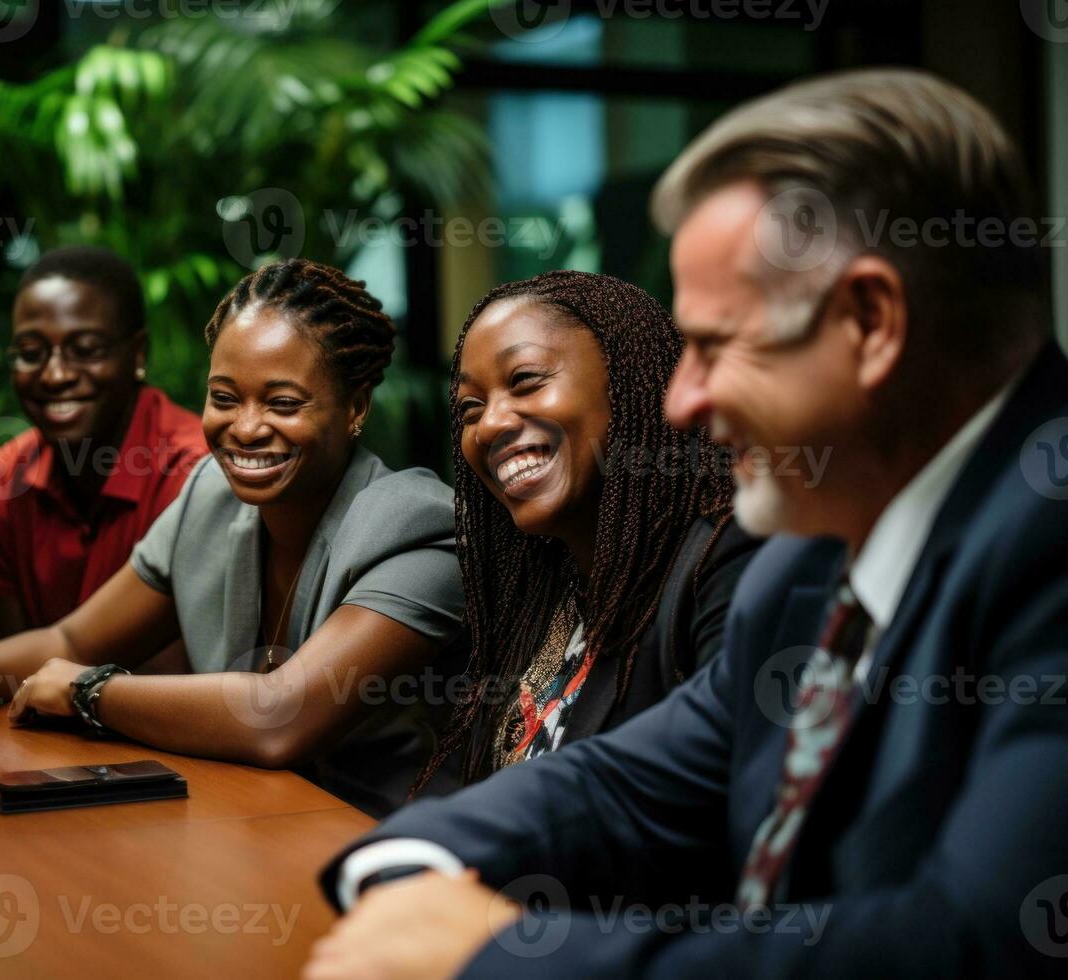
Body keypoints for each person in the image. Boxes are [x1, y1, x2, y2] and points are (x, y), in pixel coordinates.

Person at [307, 68, 1068, 978]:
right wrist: (411, 858)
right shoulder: (807, 564)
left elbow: (975, 946)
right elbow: (626, 781)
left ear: (870, 322)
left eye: (716, 345)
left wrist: (499, 956)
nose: (680, 401)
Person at [0, 259, 465, 815]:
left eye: (283, 402)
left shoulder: (416, 527)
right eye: (225, 396)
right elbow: (72, 636)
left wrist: (88, 691)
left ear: (355, 408)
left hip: (388, 848)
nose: (245, 428)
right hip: (241, 823)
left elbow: (279, 714)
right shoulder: (208, 498)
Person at [413, 270, 757, 790]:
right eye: (470, 408)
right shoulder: (543, 584)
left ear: (629, 379)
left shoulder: (725, 563)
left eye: (525, 380)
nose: (489, 425)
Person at [0, 246, 206, 649]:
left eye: (86, 350)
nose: (55, 375)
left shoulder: (193, 474)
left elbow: (179, 671)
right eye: (32, 354)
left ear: (137, 354)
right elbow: (7, 668)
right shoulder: (5, 477)